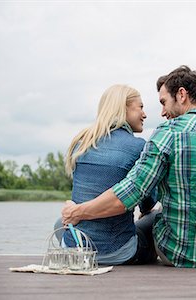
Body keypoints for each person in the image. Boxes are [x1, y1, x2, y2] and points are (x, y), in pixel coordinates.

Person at [62, 66, 196, 267]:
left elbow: (130, 193)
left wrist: (78, 212)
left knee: (157, 214)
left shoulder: (168, 133)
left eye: (163, 102)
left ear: (181, 95)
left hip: (178, 255)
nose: (161, 112)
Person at [56, 84, 158, 265]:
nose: (145, 114)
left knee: (60, 221)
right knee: (156, 217)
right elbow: (147, 201)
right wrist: (145, 211)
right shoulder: (138, 147)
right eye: (140, 107)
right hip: (118, 253)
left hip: (74, 248)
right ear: (124, 108)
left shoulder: (82, 143)